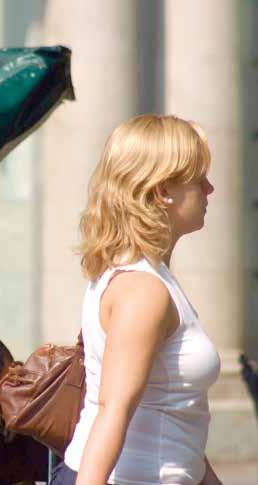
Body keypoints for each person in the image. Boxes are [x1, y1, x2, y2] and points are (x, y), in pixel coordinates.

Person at [53, 115, 223, 485]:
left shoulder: (149, 276)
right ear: (163, 191)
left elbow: (174, 413)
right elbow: (113, 410)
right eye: (199, 179)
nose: (210, 189)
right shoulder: (143, 290)